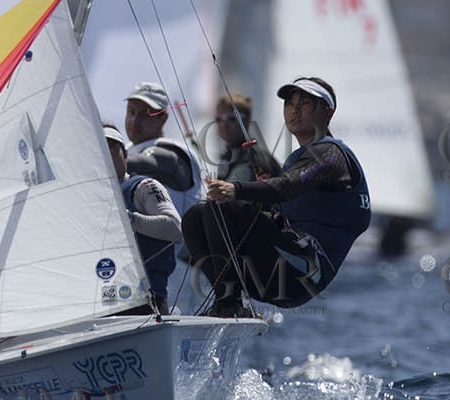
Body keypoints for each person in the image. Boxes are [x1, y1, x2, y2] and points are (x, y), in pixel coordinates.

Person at [184, 76, 369, 318]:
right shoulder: (298, 159)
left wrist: (236, 190)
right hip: (276, 270)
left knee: (220, 208)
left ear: (328, 112)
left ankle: (229, 305)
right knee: (194, 217)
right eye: (290, 103)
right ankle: (227, 301)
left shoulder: (332, 155)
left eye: (305, 103)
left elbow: (289, 186)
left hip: (303, 273)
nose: (295, 110)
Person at [104, 124, 181, 314]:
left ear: (126, 156)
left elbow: (174, 228)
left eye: (112, 149)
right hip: (100, 305)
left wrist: (128, 219)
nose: (105, 156)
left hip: (144, 301)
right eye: (100, 150)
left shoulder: (144, 187)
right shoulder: (87, 200)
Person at [123, 81, 202, 215]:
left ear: (163, 119)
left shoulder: (170, 154)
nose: (134, 120)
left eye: (144, 114)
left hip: (180, 236)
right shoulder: (128, 149)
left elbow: (144, 162)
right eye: (131, 111)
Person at [212, 92, 278, 184]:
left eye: (231, 118)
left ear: (247, 120)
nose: (224, 124)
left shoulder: (257, 158)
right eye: (219, 119)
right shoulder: (227, 156)